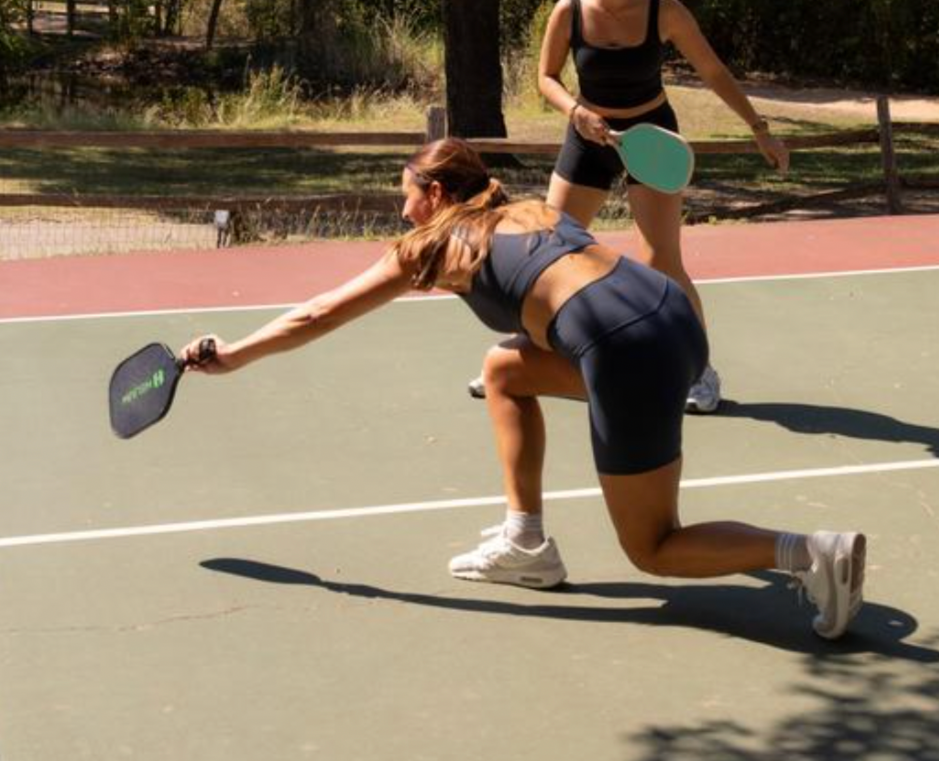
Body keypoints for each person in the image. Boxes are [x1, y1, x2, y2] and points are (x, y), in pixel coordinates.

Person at [182, 137, 865, 640]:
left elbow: (318, 313)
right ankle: (525, 543)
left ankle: (809, 552)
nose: (401, 211)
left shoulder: (429, 248)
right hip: (677, 321)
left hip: (628, 351)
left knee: (652, 546)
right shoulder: (533, 210)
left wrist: (235, 355)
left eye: (407, 196)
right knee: (504, 370)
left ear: (438, 195)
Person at [470, 0, 790, 413]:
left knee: (661, 262)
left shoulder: (665, 10)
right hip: (589, 137)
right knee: (548, 251)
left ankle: (700, 372)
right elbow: (545, 78)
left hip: (652, 137)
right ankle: (521, 360)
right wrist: (576, 113)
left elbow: (714, 71)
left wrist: (760, 130)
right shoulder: (568, 9)